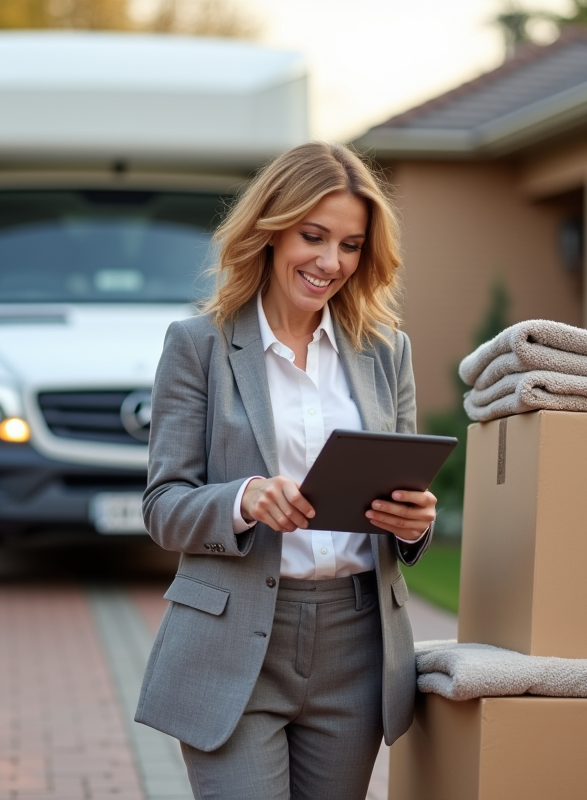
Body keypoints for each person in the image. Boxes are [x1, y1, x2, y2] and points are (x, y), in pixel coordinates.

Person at [135, 141, 436, 800]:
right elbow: (162, 506)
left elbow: (405, 492)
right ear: (271, 231)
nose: (331, 262)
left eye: (351, 245)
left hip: (355, 646)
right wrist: (244, 499)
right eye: (314, 236)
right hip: (234, 644)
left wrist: (414, 524)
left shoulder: (387, 352)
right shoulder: (198, 347)